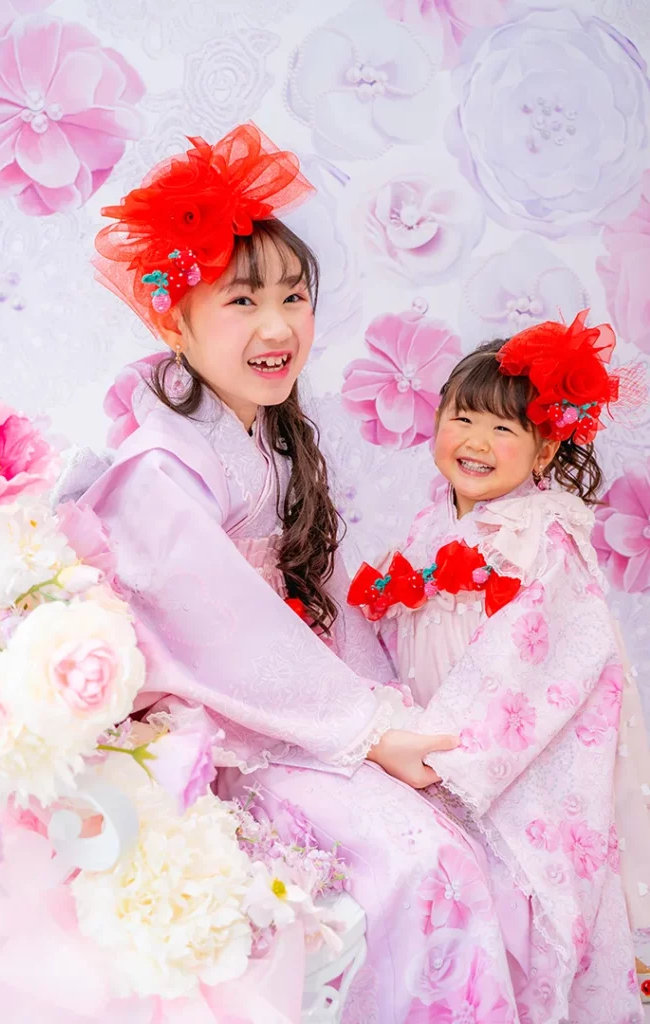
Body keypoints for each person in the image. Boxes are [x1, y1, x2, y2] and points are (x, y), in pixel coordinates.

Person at [79, 122, 521, 1021]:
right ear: (173, 319)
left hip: (279, 702)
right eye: (241, 302)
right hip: (209, 725)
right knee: (414, 861)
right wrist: (365, 728)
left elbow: (301, 610)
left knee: (460, 835)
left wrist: (385, 704)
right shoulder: (158, 472)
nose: (279, 327)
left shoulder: (264, 440)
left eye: (293, 295)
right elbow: (224, 636)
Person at [347, 314, 648, 1023]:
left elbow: (533, 660)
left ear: (547, 448)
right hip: (426, 753)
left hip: (506, 771)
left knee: (509, 914)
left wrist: (440, 753)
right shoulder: (429, 528)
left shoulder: (539, 534)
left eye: (503, 429)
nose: (476, 442)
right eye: (462, 418)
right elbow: (392, 641)